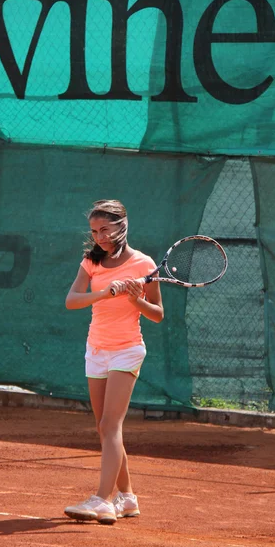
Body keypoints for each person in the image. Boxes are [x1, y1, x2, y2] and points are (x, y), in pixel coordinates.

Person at [64, 199, 164, 525]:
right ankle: (129, 497)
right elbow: (72, 301)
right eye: (94, 231)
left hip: (127, 350)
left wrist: (136, 299)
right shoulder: (90, 263)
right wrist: (105, 293)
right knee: (104, 428)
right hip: (96, 349)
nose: (100, 237)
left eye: (105, 229)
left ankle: (102, 500)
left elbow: (158, 315)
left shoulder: (145, 264)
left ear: (121, 225)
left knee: (110, 425)